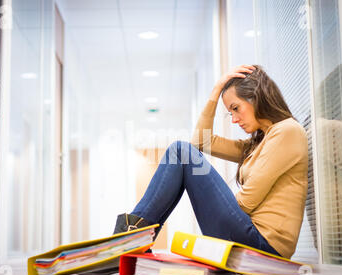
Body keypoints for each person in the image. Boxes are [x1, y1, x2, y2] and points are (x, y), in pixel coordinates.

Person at [113, 64, 308, 259]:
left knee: (180, 151)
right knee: (181, 151)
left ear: (256, 97)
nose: (234, 119)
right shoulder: (257, 143)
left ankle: (129, 239)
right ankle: (133, 240)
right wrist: (215, 93)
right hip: (250, 235)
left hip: (263, 244)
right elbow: (201, 142)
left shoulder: (287, 131)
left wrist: (209, 201)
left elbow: (246, 204)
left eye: (236, 108)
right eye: (230, 113)